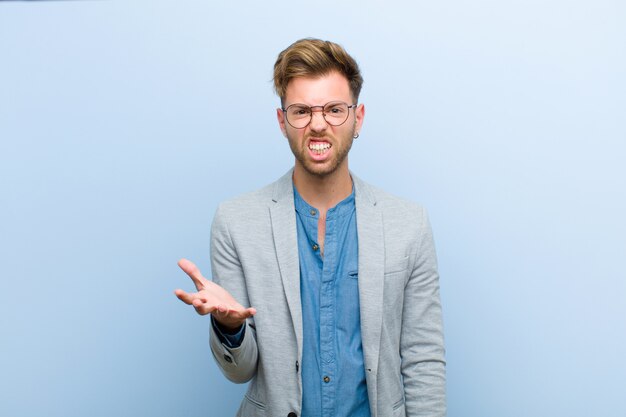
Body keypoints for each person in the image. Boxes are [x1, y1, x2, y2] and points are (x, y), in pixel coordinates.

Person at [174, 38, 446, 417]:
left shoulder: (409, 224)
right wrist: (228, 326)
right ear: (283, 121)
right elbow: (241, 371)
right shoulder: (235, 222)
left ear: (358, 118)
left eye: (335, 109)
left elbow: (424, 358)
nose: (318, 125)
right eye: (301, 111)